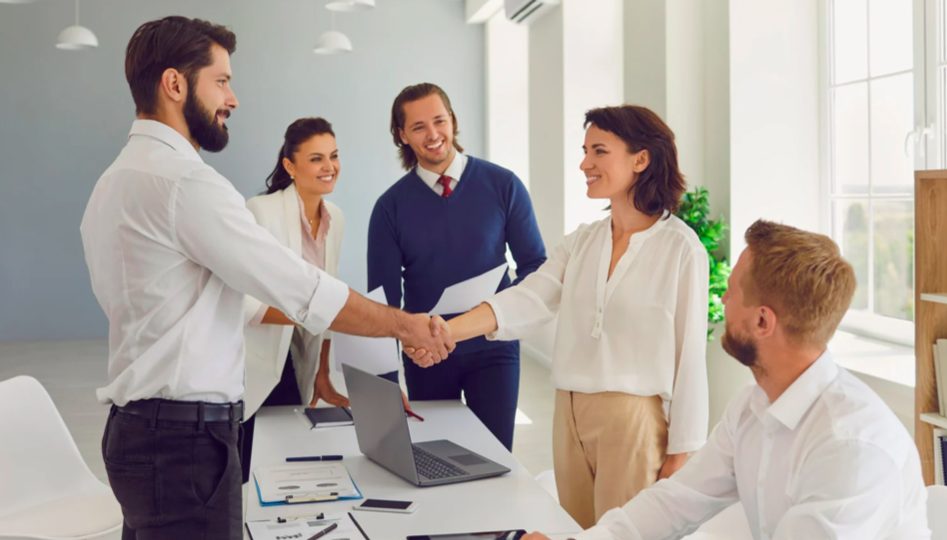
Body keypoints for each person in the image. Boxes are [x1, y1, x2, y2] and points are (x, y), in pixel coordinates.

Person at [80, 17, 452, 540]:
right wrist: (403, 325)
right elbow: (300, 288)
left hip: (136, 432)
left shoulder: (114, 181)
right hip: (184, 443)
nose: (232, 99)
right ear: (174, 84)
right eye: (222, 81)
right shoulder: (186, 184)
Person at [522, 220, 930, 540]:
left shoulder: (851, 449)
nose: (722, 299)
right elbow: (676, 502)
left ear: (762, 321)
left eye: (732, 292)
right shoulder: (752, 406)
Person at [408, 105, 710, 528]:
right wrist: (443, 331)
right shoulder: (583, 241)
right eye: (585, 150)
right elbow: (527, 298)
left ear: (641, 159)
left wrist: (682, 454)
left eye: (599, 151)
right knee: (577, 532)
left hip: (633, 419)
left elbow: (690, 357)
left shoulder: (681, 247)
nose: (585, 163)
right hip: (568, 413)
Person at [368, 83, 547, 451]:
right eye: (418, 127)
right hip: (426, 356)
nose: (433, 134)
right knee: (437, 457)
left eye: (439, 120)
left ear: (453, 121)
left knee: (496, 459)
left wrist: (505, 318)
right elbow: (383, 304)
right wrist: (386, 382)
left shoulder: (504, 185)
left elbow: (534, 268)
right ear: (402, 135)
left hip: (494, 350)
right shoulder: (390, 208)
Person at [240, 117, 412, 483]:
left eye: (333, 156)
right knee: (257, 458)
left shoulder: (335, 217)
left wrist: (321, 374)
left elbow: (327, 290)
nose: (329, 167)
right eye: (316, 158)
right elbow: (246, 304)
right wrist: (317, 315)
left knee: (286, 454)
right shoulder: (261, 211)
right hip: (259, 356)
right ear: (290, 165)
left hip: (300, 356)